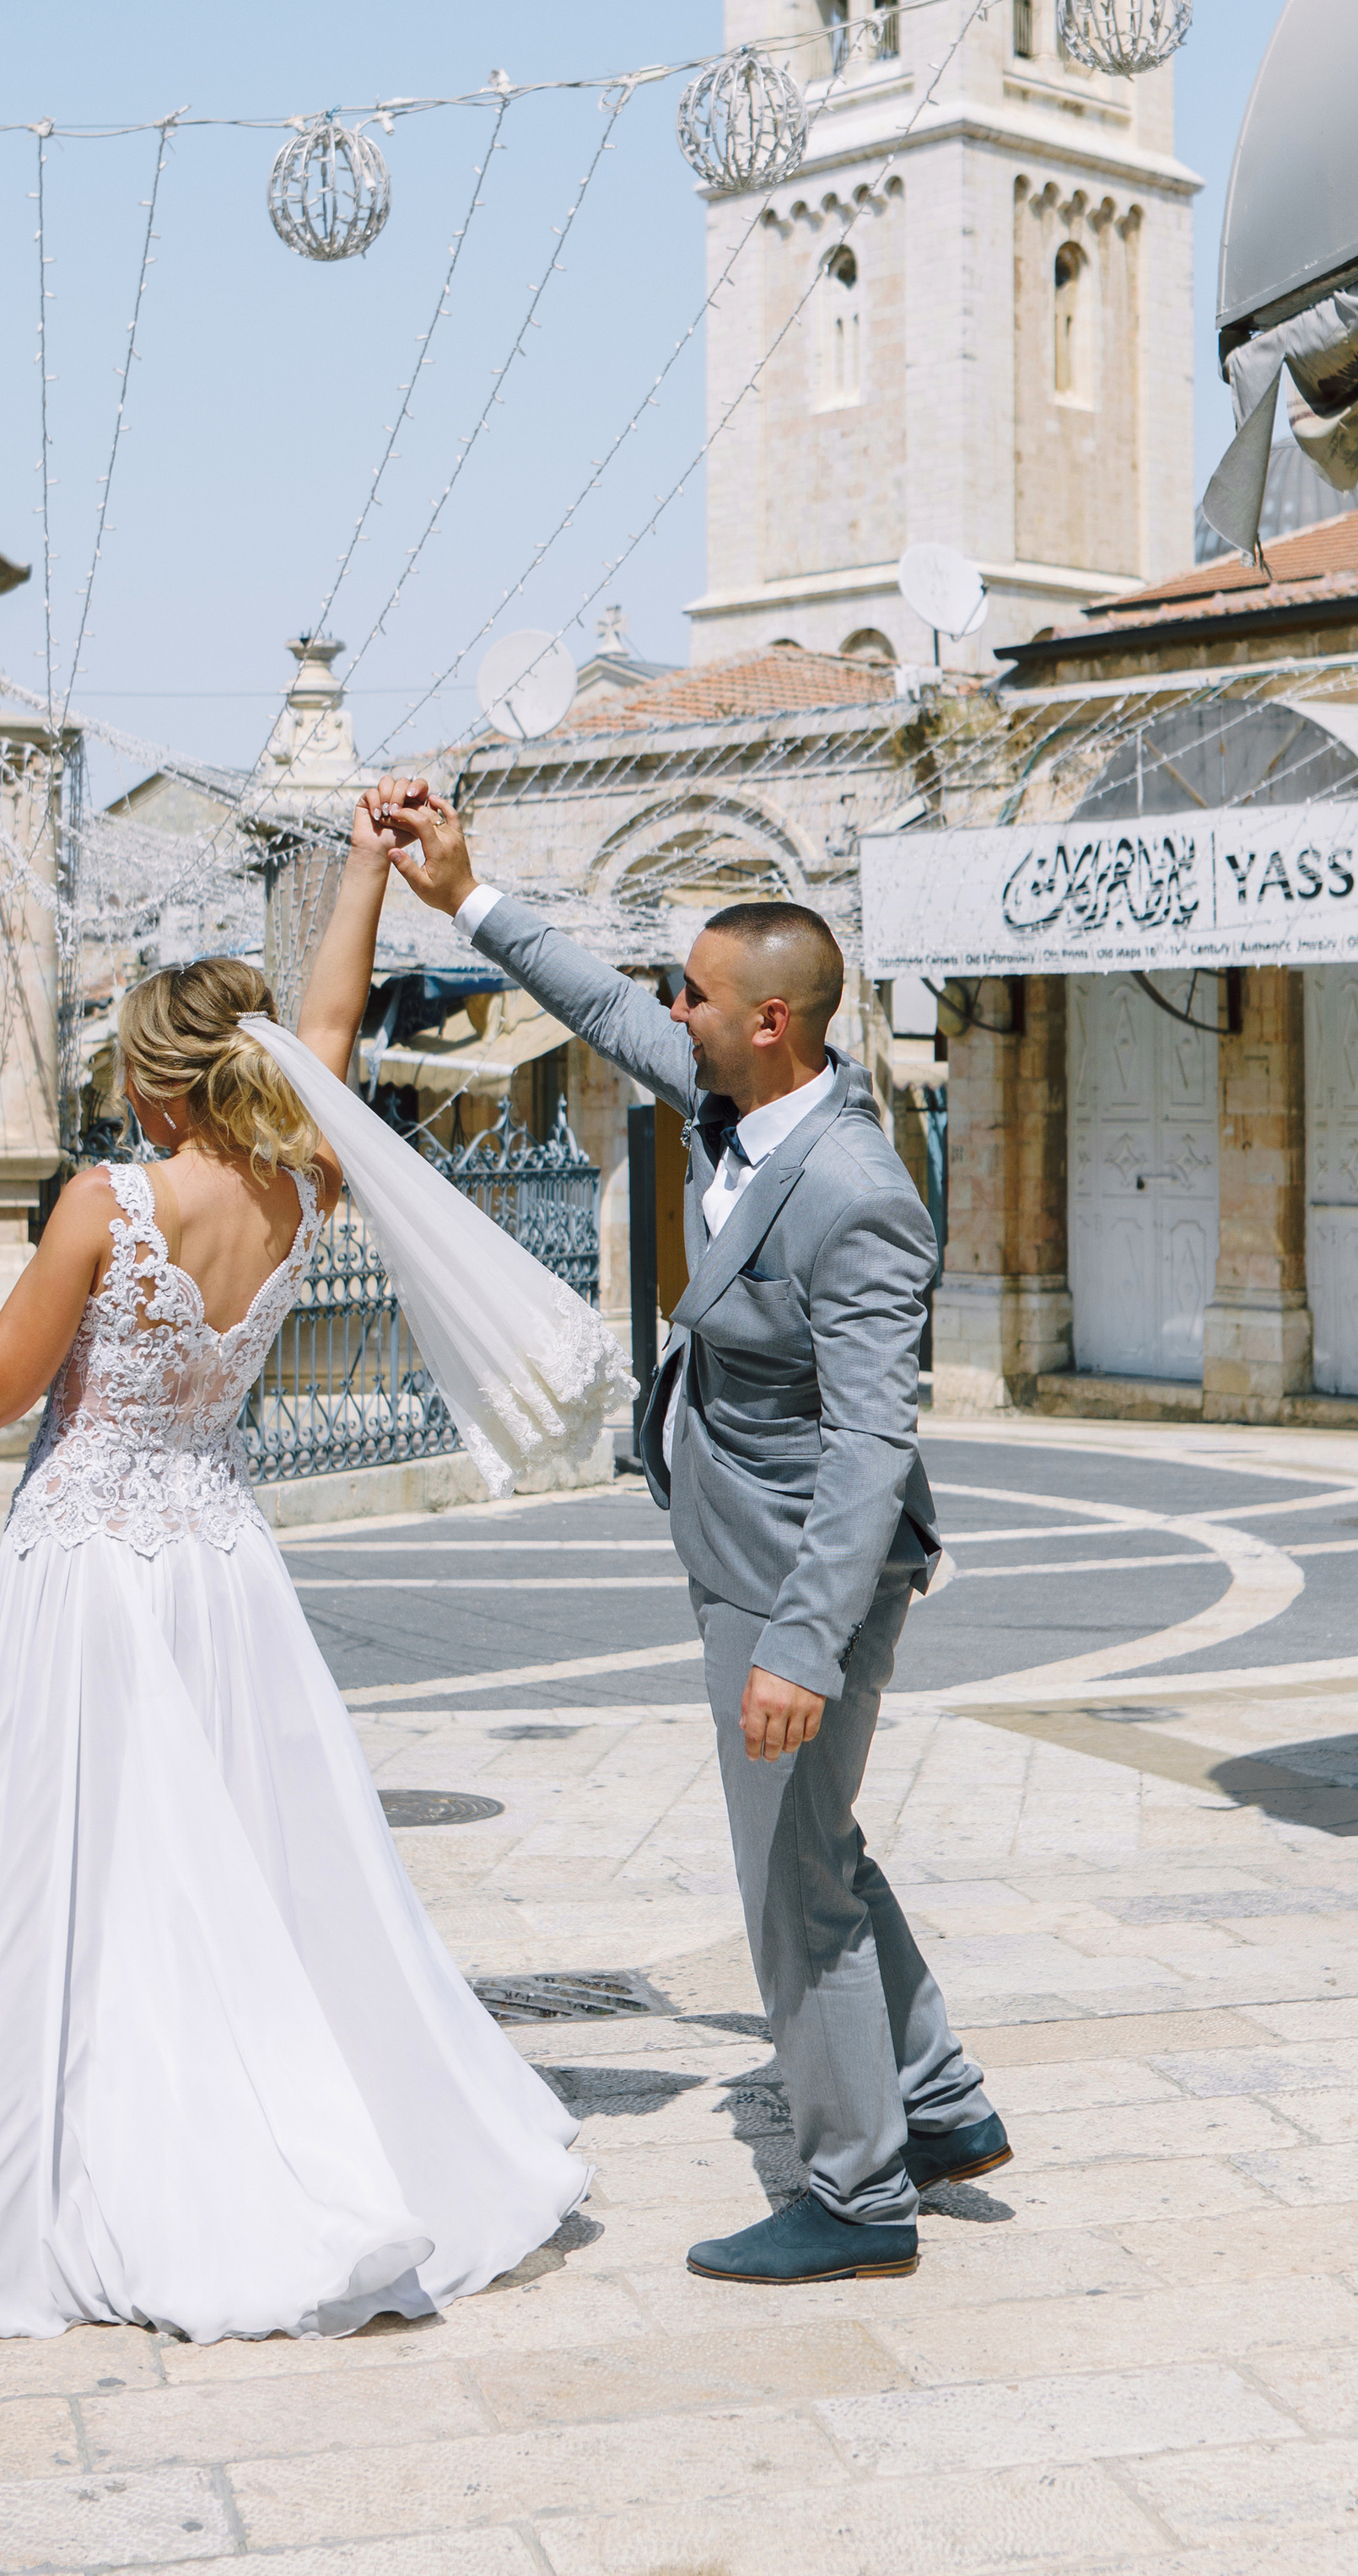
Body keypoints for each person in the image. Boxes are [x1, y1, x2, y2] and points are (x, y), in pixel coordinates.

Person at [0, 789, 585, 2343]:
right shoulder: (305, 1186)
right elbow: (332, 1026)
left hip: (91, 1573)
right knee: (254, 1871)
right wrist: (364, 866)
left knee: (83, 1879)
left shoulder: (108, 1201)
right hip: (223, 1565)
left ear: (157, 1091)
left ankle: (103, 2179)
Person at [373, 788, 1009, 2288]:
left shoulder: (852, 1191)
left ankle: (856, 2199)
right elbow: (599, 1005)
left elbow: (871, 1439)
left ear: (772, 1020)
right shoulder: (735, 1098)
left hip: (805, 1570)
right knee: (822, 1850)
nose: (675, 1012)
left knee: (792, 1885)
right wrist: (465, 896)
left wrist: (799, 1642)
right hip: (742, 1541)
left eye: (699, 998)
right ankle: (937, 2101)